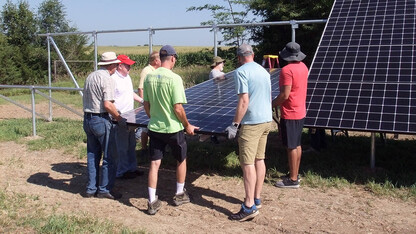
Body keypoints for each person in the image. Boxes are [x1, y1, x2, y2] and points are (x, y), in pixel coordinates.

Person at [143, 45, 199, 215]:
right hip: (173, 129)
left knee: (154, 163)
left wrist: (154, 116)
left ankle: (152, 201)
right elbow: (178, 108)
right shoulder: (175, 79)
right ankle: (179, 194)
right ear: (173, 58)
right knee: (181, 159)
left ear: (160, 58)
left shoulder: (148, 78)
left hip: (155, 127)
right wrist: (187, 125)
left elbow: (146, 105)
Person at [226, 44, 272, 222]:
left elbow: (244, 101)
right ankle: (257, 198)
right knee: (259, 159)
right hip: (266, 120)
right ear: (252, 54)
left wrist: (235, 124)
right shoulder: (264, 71)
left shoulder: (241, 72)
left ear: (239, 57)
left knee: (247, 164)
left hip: (252, 123)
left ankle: (248, 206)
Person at [82, 51, 125, 200]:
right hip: (101, 119)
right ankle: (105, 189)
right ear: (112, 65)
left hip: (87, 119)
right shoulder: (107, 79)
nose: (118, 66)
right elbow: (107, 104)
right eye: (117, 64)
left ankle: (90, 188)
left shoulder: (91, 76)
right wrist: (119, 118)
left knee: (92, 155)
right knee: (109, 156)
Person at [272, 42, 308, 189]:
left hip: (290, 112)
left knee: (291, 146)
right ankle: (295, 173)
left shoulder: (287, 70)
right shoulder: (303, 67)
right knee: (297, 144)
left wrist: (271, 104)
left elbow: (284, 95)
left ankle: (292, 180)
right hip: (300, 110)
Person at [111, 54, 145, 179]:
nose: (129, 68)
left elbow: (130, 93)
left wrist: (142, 101)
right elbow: (111, 100)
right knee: (121, 146)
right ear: (120, 66)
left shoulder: (127, 77)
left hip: (130, 116)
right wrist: (117, 115)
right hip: (119, 118)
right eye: (127, 65)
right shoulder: (113, 79)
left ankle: (132, 168)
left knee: (131, 144)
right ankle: (121, 171)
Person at [138, 51, 161, 152]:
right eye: (160, 59)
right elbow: (141, 88)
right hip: (147, 105)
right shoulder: (147, 71)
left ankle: (154, 147)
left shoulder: (157, 70)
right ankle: (144, 148)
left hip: (154, 104)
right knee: (145, 128)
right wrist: (144, 103)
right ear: (156, 61)